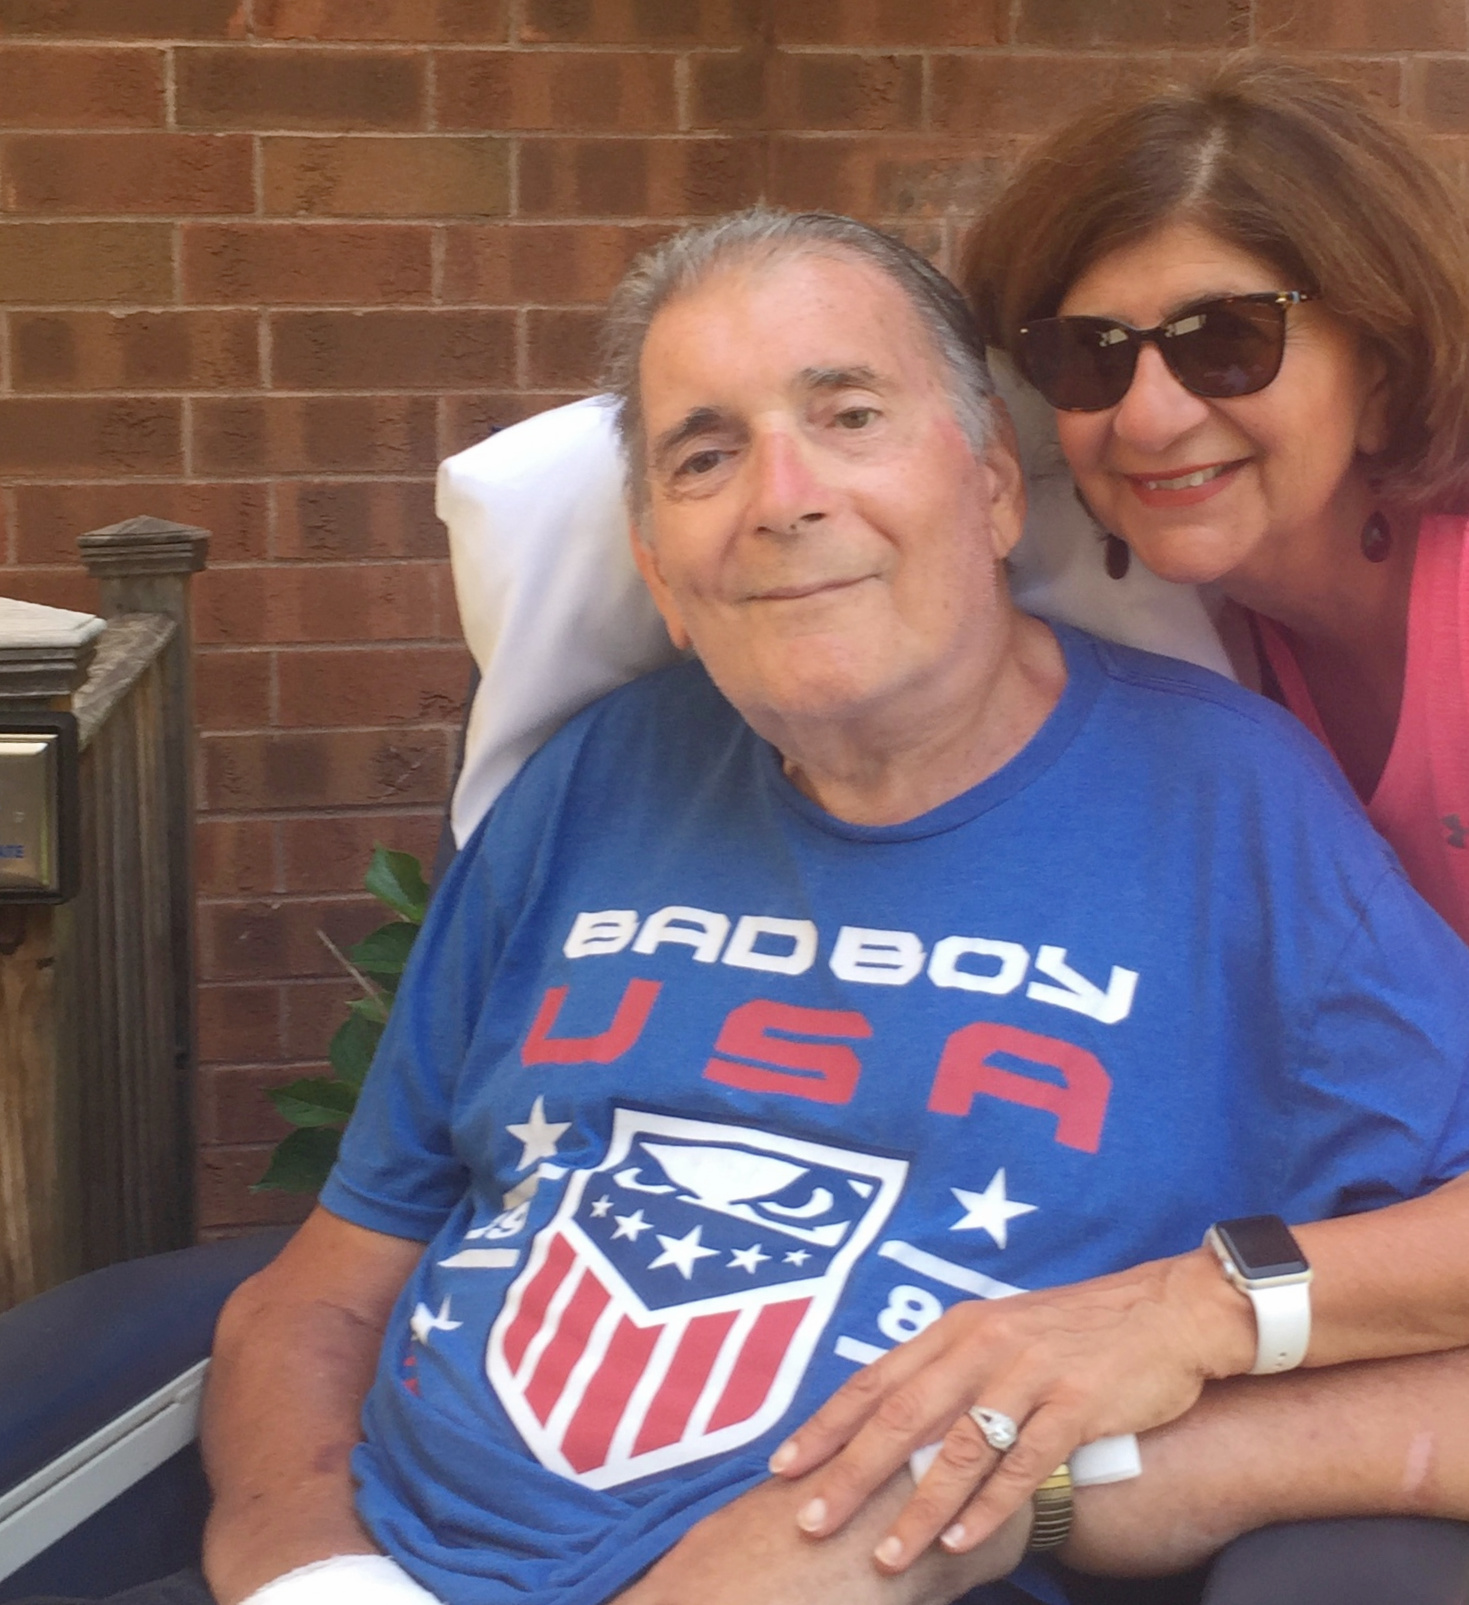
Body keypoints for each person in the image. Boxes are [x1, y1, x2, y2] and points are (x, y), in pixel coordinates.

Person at [192, 211, 1469, 1605]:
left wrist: (1153, 1371)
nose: (781, 495)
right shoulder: (591, 782)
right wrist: (304, 1571)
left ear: (989, 483)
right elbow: (320, 1291)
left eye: (847, 414)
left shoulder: (1229, 812)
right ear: (659, 572)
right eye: (703, 452)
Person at [963, 57, 1468, 945]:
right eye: (1089, 354)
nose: (1148, 420)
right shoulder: (1183, 645)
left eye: (1227, 340)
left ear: (1381, 375)